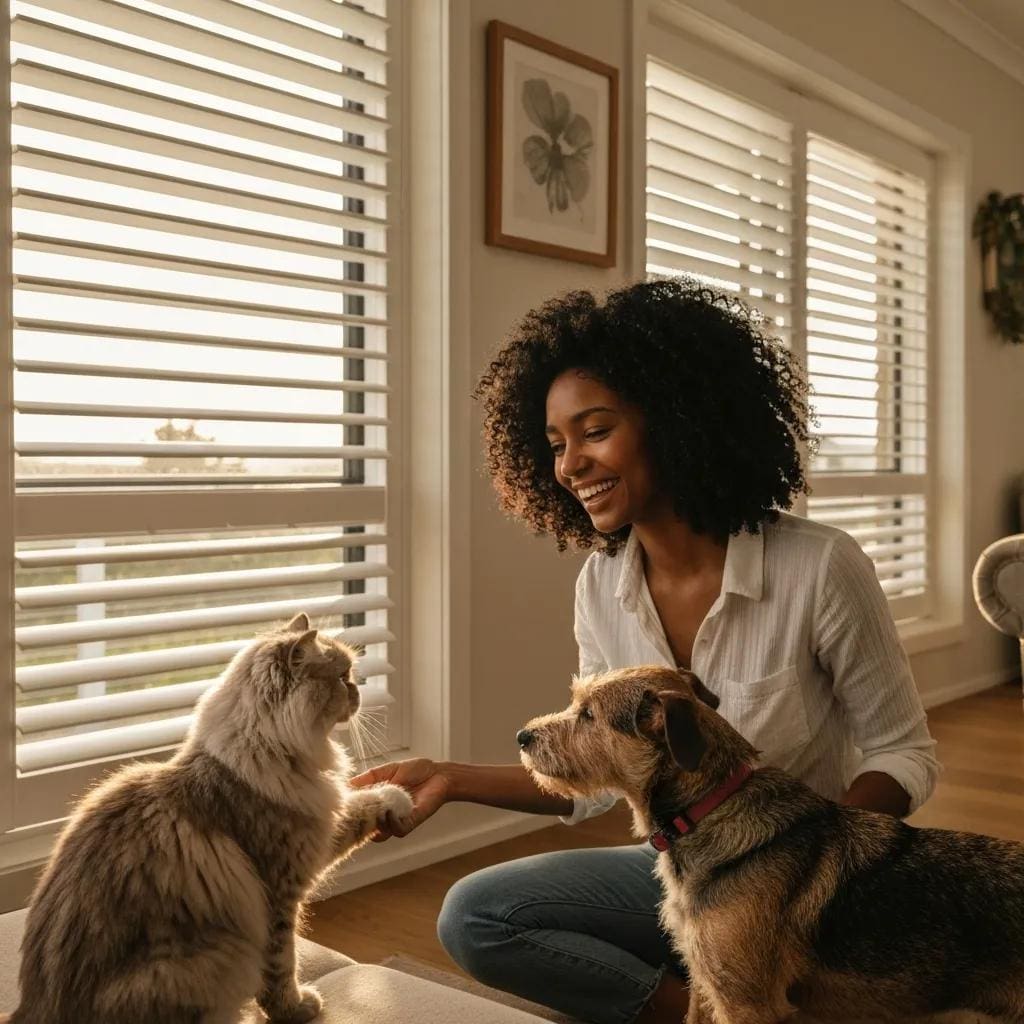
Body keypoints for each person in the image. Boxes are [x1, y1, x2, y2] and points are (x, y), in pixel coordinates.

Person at [351, 278, 940, 1024]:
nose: (569, 466)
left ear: (675, 417)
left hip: (821, 891)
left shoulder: (819, 566)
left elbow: (904, 753)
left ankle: (762, 981)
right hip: (682, 869)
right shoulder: (602, 585)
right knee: (476, 915)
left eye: (594, 432)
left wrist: (804, 867)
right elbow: (598, 776)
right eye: (557, 445)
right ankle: (714, 1002)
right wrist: (447, 777)